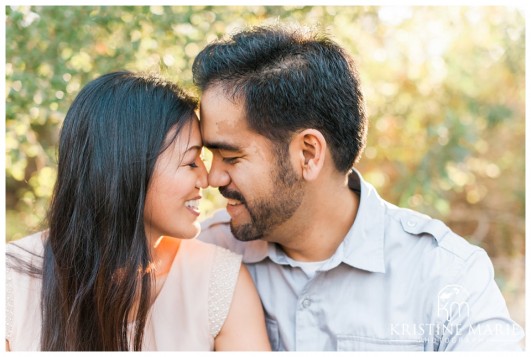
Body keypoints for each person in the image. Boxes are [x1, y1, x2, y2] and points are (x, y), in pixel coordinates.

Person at [192, 25, 525, 351]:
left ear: (308, 154)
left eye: (231, 157)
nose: (211, 177)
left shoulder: (444, 273)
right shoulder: (204, 256)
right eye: (209, 155)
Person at [5, 71, 270, 351]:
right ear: (126, 169)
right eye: (191, 162)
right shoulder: (12, 279)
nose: (206, 180)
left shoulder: (218, 280)